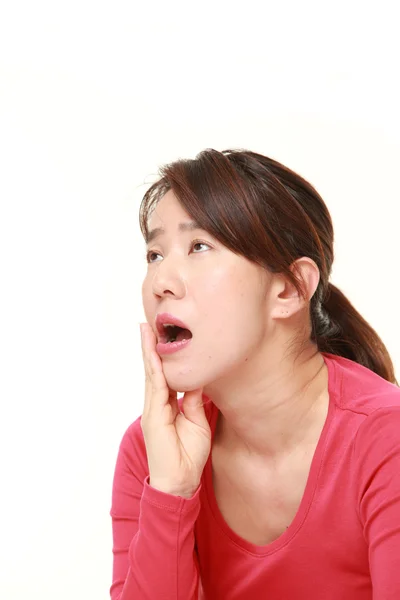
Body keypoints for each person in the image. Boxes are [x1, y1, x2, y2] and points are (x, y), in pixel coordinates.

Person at [109, 148, 400, 600]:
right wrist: (172, 491)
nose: (160, 281)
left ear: (288, 289)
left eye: (199, 246)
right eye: (154, 253)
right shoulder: (150, 453)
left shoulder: (387, 439)